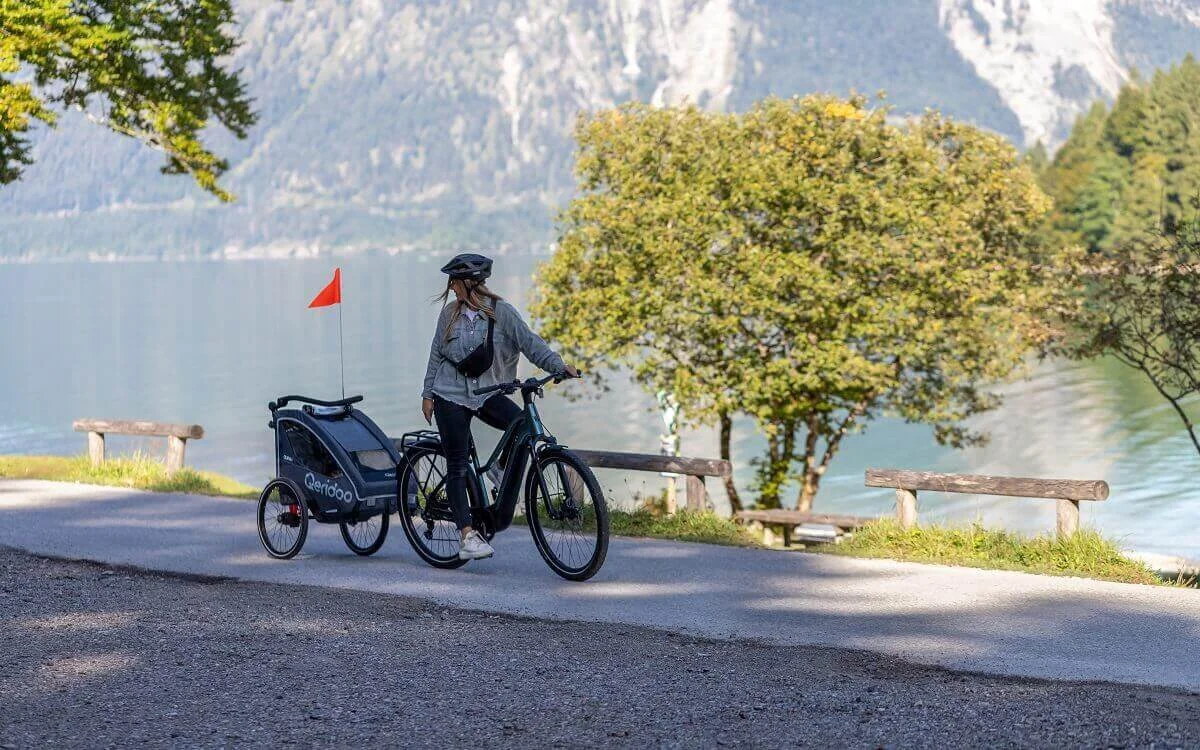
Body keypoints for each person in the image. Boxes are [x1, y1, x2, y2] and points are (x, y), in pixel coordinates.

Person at [421, 253, 578, 560]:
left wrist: (559, 366)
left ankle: (500, 467)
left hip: (487, 392)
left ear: (467, 283)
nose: (451, 288)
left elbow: (530, 343)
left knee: (521, 423)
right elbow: (436, 354)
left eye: (454, 282)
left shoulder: (501, 312)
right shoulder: (449, 314)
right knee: (457, 463)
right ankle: (467, 535)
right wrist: (427, 394)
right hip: (449, 394)